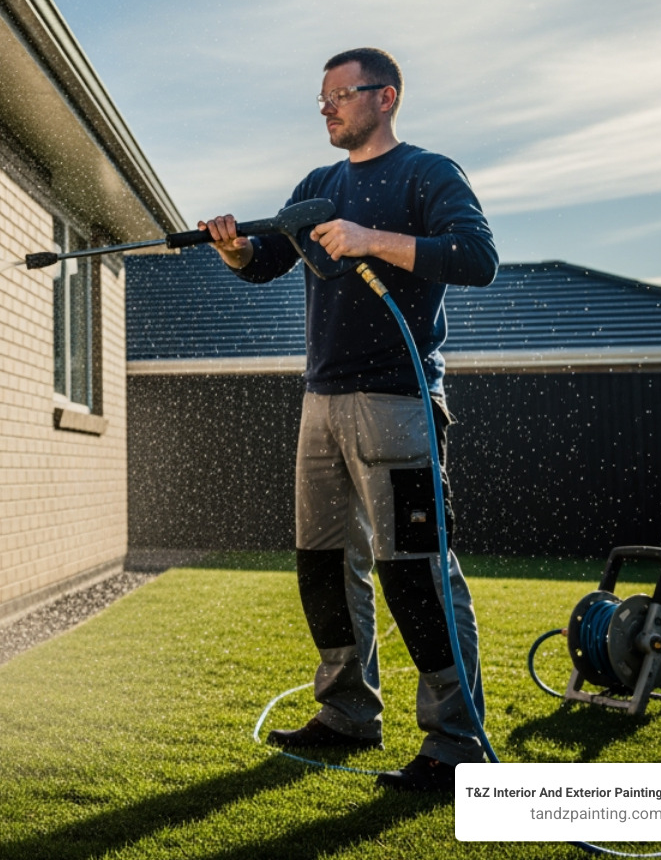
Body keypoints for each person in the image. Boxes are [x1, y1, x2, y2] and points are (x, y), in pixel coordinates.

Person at [200, 48, 498, 792]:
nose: (328, 108)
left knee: (416, 573)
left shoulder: (430, 174)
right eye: (322, 98)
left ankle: (456, 744)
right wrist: (236, 250)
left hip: (398, 402)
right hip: (321, 401)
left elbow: (477, 257)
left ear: (386, 97)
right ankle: (347, 713)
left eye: (342, 94)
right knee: (325, 565)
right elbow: (267, 260)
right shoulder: (317, 186)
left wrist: (372, 241)